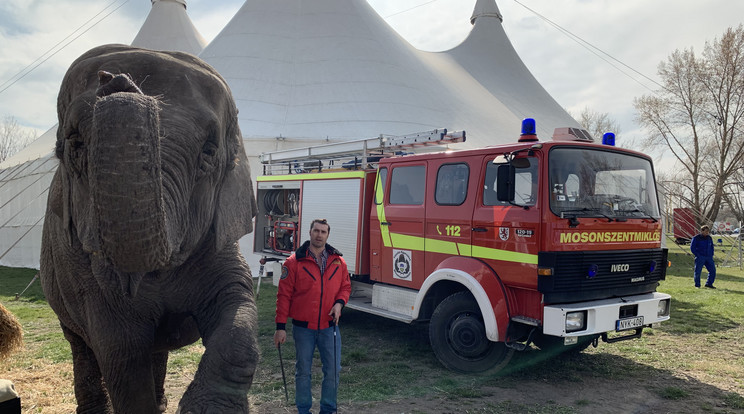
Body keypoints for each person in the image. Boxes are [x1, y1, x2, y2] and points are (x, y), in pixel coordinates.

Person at [274, 218, 351, 414]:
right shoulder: (293, 262)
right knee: (303, 373)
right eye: (316, 231)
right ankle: (303, 409)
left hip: (329, 327)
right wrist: (280, 327)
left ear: (327, 235)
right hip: (303, 329)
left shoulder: (338, 261)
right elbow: (283, 296)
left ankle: (328, 409)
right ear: (310, 233)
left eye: (323, 232)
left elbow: (345, 287)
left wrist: (339, 304)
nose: (319, 235)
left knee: (333, 371)